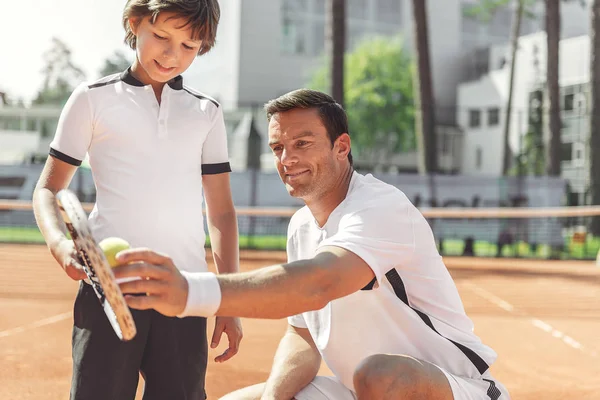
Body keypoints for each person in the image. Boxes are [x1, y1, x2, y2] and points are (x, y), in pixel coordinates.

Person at [113, 89, 510, 400]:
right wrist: (273, 396)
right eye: (278, 148)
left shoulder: (379, 207)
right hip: (359, 393)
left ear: (342, 146)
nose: (287, 158)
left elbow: (318, 282)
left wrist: (190, 292)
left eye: (302, 143)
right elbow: (301, 336)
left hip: (456, 390)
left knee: (381, 375)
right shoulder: (301, 226)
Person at [32, 1, 242, 399]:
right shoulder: (91, 99)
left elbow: (221, 211)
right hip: (109, 288)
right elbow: (47, 189)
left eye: (189, 46)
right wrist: (61, 245)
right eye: (162, 37)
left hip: (186, 292)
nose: (172, 54)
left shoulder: (206, 112)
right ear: (135, 23)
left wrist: (226, 298)